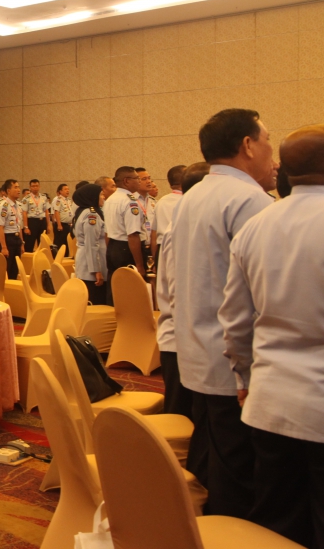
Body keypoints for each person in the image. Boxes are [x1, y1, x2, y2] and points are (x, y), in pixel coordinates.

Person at [219, 124, 324, 548]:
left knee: (278, 522)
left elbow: (235, 321)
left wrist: (244, 377)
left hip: (271, 402)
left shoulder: (257, 226)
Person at [172, 108, 277, 518]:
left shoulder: (194, 195)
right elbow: (258, 292)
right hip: (231, 359)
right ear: (248, 145)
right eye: (267, 140)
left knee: (215, 456)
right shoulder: (249, 200)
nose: (271, 152)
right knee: (239, 472)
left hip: (198, 348)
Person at [155, 162, 209, 420]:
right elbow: (180, 298)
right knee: (180, 421)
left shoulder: (193, 226)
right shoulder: (182, 231)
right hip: (180, 343)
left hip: (190, 341)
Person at [103, 166, 145, 305]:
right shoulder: (130, 201)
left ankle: (112, 314)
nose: (139, 181)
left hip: (112, 246)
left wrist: (110, 251)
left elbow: (107, 232)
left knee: (114, 288)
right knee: (129, 291)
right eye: (137, 178)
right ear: (126, 181)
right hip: (126, 248)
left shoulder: (110, 199)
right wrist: (139, 264)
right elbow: (133, 235)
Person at [71, 183, 107, 305]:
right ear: (92, 196)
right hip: (91, 266)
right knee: (95, 302)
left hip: (87, 261)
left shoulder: (83, 211)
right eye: (101, 195)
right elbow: (91, 244)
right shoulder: (92, 215)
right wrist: (96, 270)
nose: (103, 197)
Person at [150, 165, 186, 258]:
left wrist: (154, 257)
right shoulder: (188, 200)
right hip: (181, 248)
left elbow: (154, 233)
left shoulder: (160, 202)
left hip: (161, 248)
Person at [0, 179, 24, 281]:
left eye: (19, 187)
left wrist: (21, 243)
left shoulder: (18, 205)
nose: (18, 190)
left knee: (15, 269)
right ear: (8, 191)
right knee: (7, 269)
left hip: (16, 238)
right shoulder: (4, 206)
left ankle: (12, 288)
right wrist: (3, 247)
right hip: (8, 239)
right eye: (15, 187)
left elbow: (19, 226)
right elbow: (0, 227)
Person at [22, 180, 51, 253]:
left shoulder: (44, 197)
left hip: (42, 221)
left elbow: (46, 212)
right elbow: (24, 213)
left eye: (37, 186)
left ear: (39, 186)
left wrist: (48, 225)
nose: (35, 188)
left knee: (43, 244)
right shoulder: (26, 198)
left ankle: (41, 259)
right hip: (32, 222)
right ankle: (28, 258)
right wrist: (26, 227)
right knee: (29, 243)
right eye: (33, 186)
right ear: (30, 187)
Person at [135, 167, 156, 260]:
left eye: (149, 178)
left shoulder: (153, 201)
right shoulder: (131, 201)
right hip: (138, 246)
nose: (148, 181)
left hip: (152, 245)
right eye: (144, 179)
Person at [50, 183, 73, 255]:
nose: (67, 191)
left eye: (68, 189)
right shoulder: (58, 200)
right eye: (65, 189)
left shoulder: (68, 200)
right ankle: (57, 256)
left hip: (68, 224)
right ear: (60, 191)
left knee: (66, 242)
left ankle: (65, 256)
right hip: (61, 224)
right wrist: (59, 225)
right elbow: (56, 212)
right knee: (59, 242)